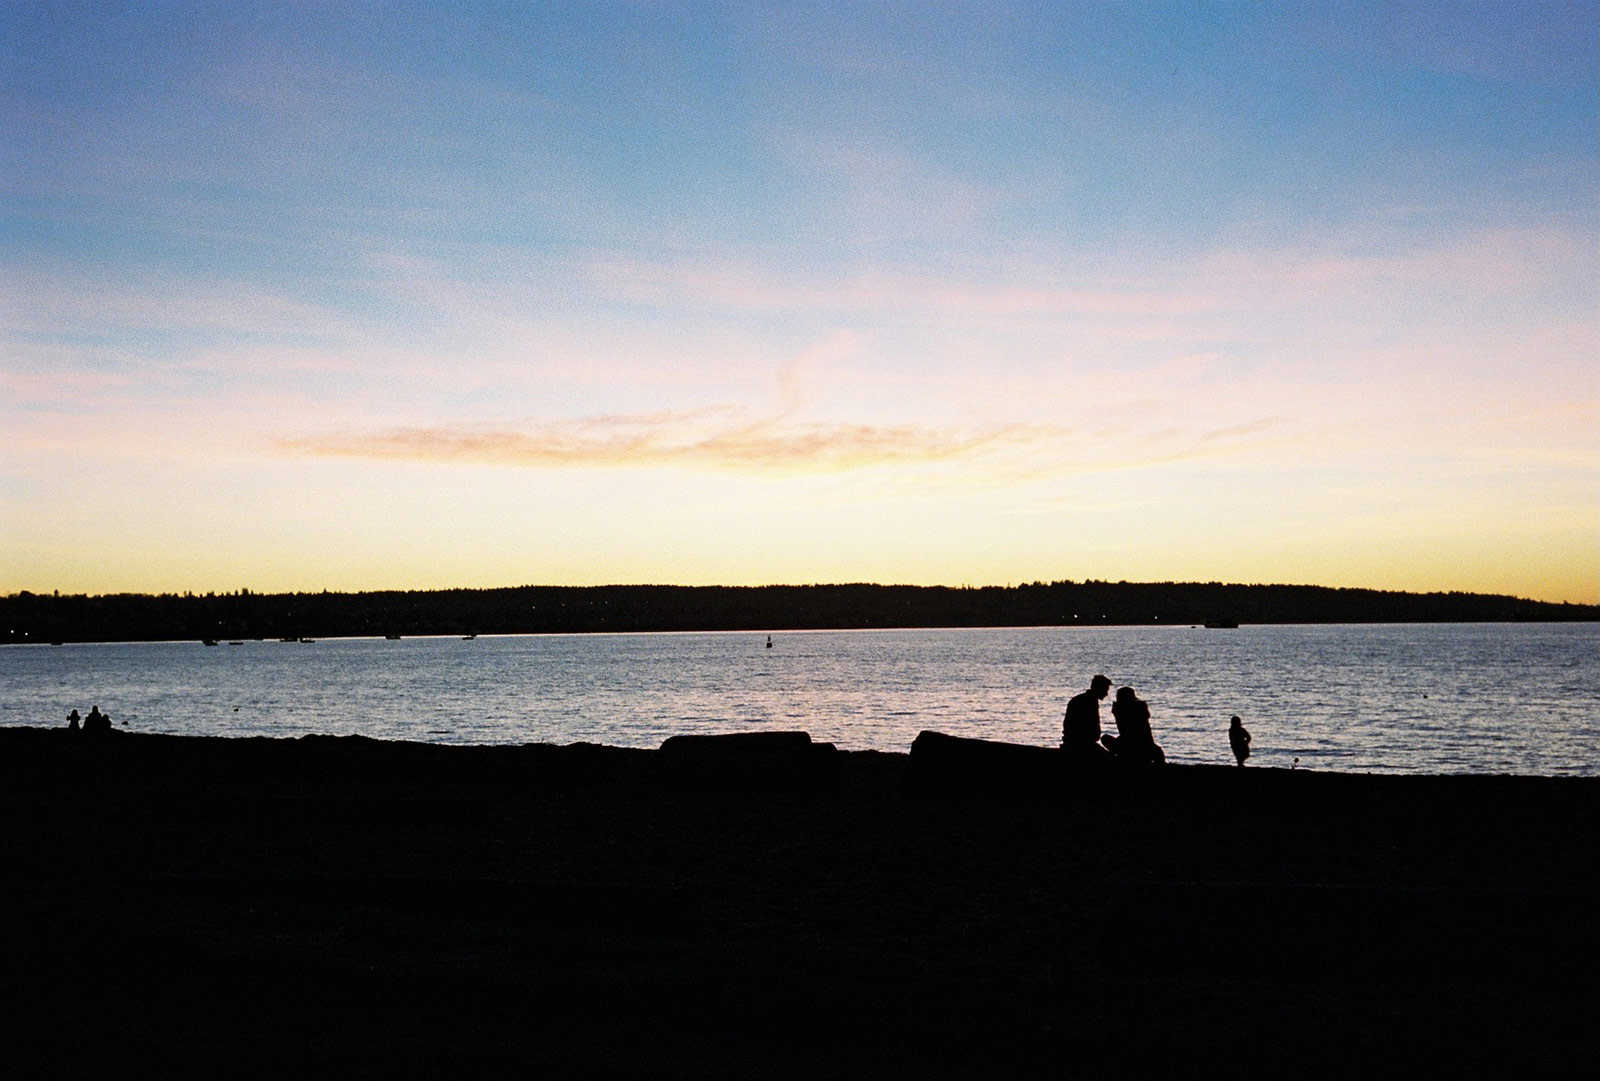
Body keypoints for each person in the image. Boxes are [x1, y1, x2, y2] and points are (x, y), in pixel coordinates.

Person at [1101, 686, 1165, 766]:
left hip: (1138, 745)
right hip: (1142, 744)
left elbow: (1129, 734)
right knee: (1106, 739)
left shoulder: (1126, 711)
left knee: (1107, 739)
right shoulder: (1138, 709)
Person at [1062, 674, 1112, 757]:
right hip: (1081, 744)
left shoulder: (1083, 699)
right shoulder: (1090, 702)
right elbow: (1092, 727)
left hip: (1074, 742)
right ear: (1098, 688)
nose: (1106, 693)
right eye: (1105, 690)